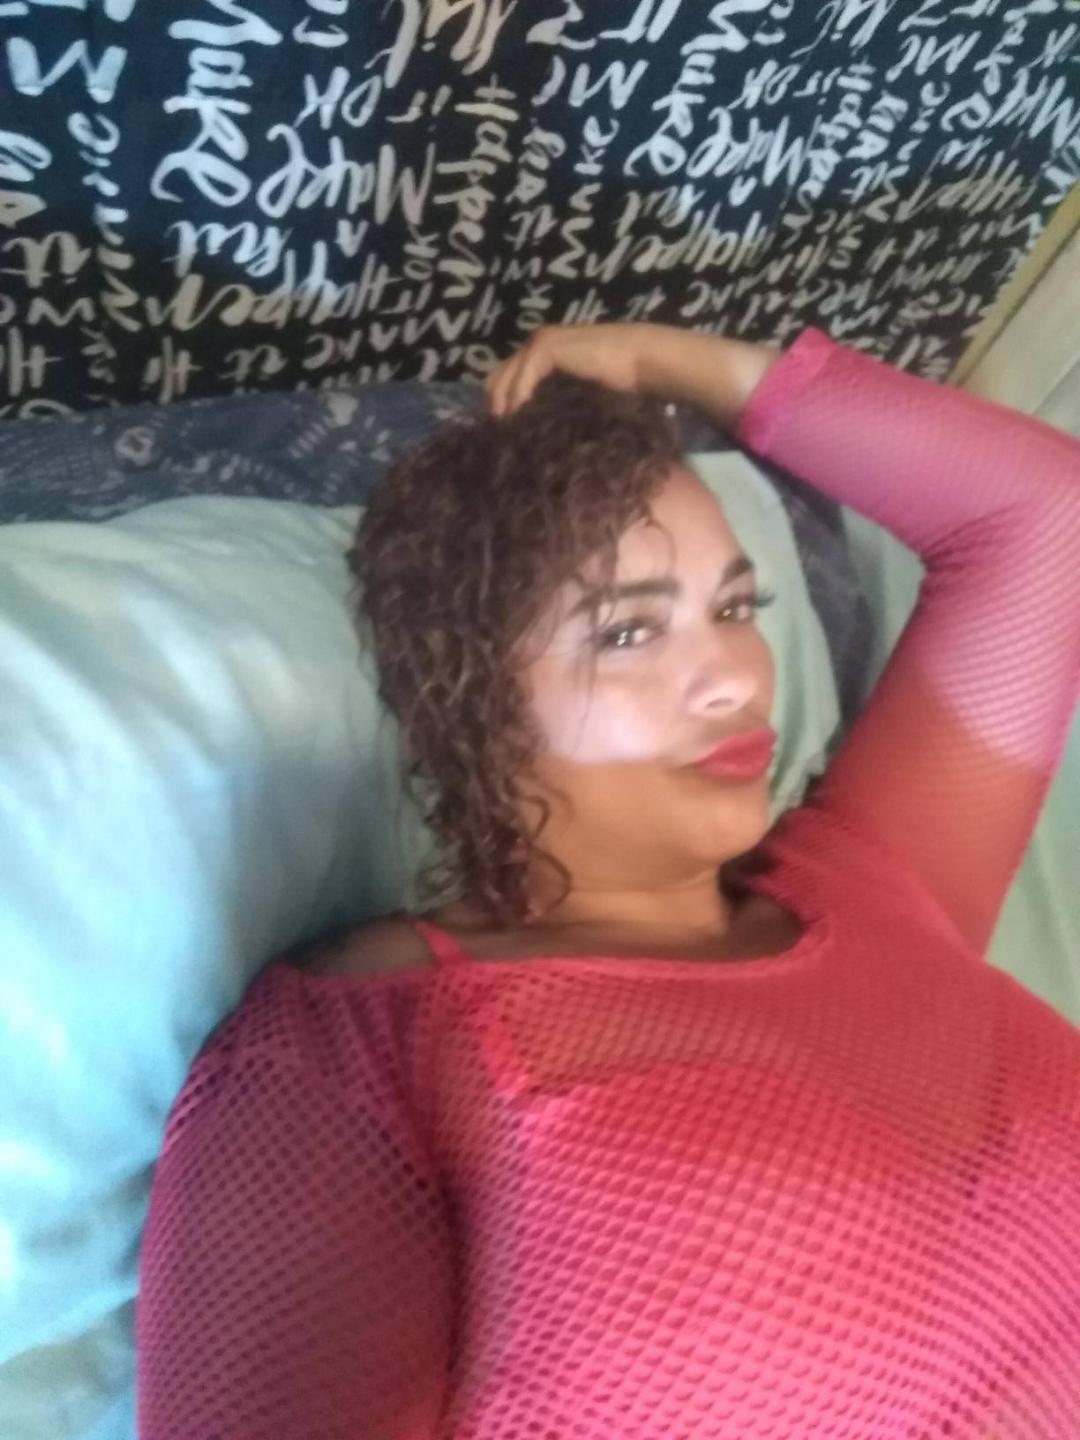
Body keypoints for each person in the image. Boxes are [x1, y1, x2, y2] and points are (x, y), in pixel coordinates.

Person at [136, 321, 1080, 1438]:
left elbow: (1045, 515)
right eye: (629, 632)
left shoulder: (877, 881)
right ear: (473, 698)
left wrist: (672, 366)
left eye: (735, 609)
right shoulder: (365, 1052)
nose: (733, 678)